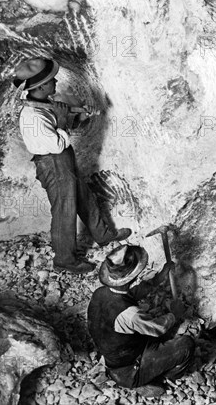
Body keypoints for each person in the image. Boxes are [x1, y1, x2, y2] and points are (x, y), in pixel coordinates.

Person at [15, 58, 131, 274]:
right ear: (39, 86)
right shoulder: (32, 116)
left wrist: (77, 118)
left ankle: (103, 235)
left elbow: (62, 131)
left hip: (63, 161)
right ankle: (64, 260)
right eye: (51, 80)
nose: (55, 81)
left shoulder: (46, 106)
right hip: (53, 163)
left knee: (85, 198)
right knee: (64, 210)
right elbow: (57, 144)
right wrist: (60, 120)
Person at [87, 244, 195, 397]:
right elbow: (158, 328)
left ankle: (145, 374)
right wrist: (174, 314)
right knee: (186, 344)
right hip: (130, 369)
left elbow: (129, 295)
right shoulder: (130, 314)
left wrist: (159, 278)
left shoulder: (100, 293)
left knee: (150, 333)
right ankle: (162, 377)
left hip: (115, 355)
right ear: (133, 276)